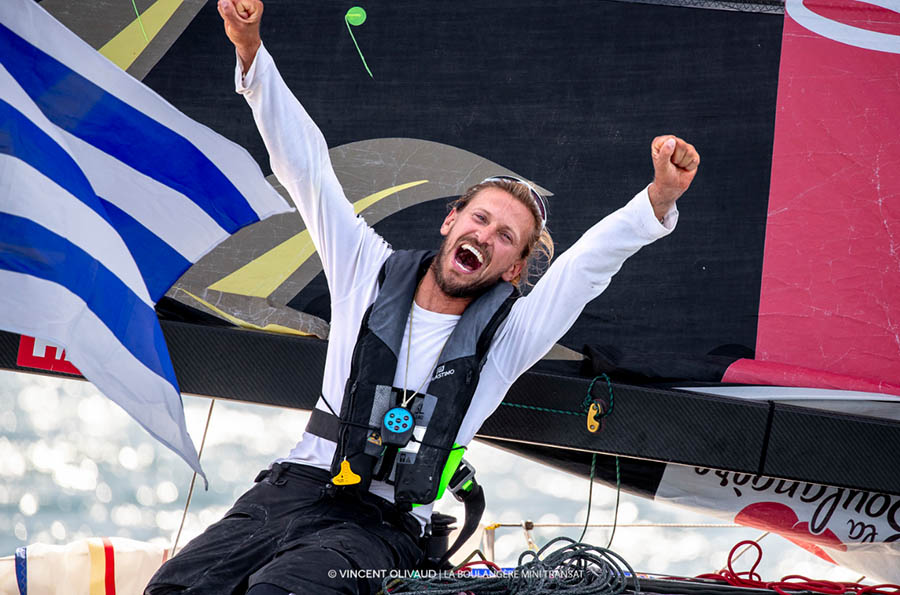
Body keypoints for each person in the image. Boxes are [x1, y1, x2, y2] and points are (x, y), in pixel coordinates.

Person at [145, 1, 700, 593]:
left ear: (514, 270)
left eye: (504, 237)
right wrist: (249, 49)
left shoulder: (507, 340)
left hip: (383, 532)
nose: (484, 236)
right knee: (172, 588)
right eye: (479, 219)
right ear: (450, 221)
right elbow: (306, 168)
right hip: (293, 487)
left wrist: (658, 199)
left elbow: (587, 268)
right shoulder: (365, 269)